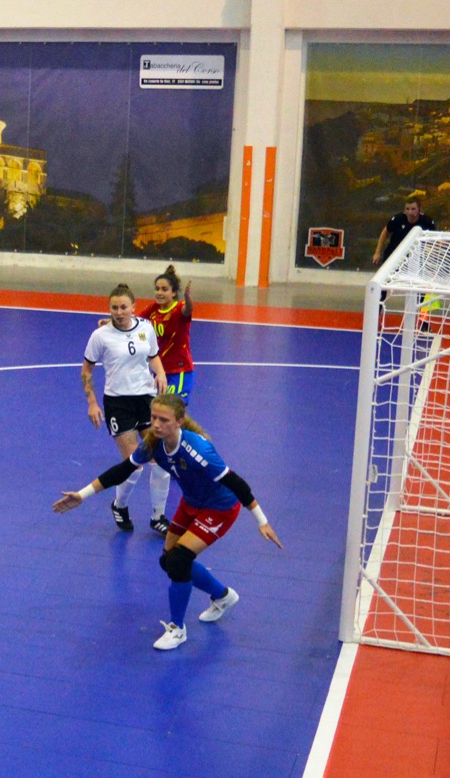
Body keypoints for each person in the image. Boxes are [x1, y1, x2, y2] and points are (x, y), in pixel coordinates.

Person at [53, 393, 281, 651]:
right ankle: (223, 596)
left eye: (163, 420)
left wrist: (262, 521)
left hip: (219, 508)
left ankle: (177, 629)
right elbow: (122, 470)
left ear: (180, 421)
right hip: (192, 502)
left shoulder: (199, 450)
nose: (156, 424)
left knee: (179, 561)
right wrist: (82, 495)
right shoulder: (153, 443)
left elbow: (236, 483)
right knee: (168, 561)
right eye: (153, 418)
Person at [82, 283, 166, 534]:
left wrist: (160, 372)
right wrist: (92, 402)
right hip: (119, 403)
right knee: (134, 465)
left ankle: (158, 516)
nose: (118, 312)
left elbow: (153, 355)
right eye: (114, 307)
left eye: (123, 307)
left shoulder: (145, 328)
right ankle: (119, 505)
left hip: (147, 400)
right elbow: (87, 370)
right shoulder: (100, 336)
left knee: (161, 462)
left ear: (133, 307)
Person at [134, 266, 196, 529]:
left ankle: (178, 449)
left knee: (171, 414)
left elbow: (187, 311)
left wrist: (190, 300)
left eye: (165, 289)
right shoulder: (150, 312)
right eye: (157, 289)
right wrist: (110, 324)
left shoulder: (179, 309)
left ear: (174, 292)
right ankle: (163, 446)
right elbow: (133, 323)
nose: (160, 293)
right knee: (158, 415)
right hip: (158, 372)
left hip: (179, 372)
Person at [372, 197, 436, 266]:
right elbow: (385, 232)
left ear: (419, 210)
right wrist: (377, 252)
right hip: (393, 254)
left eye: (413, 209)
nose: (410, 212)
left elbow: (433, 239)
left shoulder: (426, 221)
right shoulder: (398, 219)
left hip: (415, 257)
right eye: (407, 209)